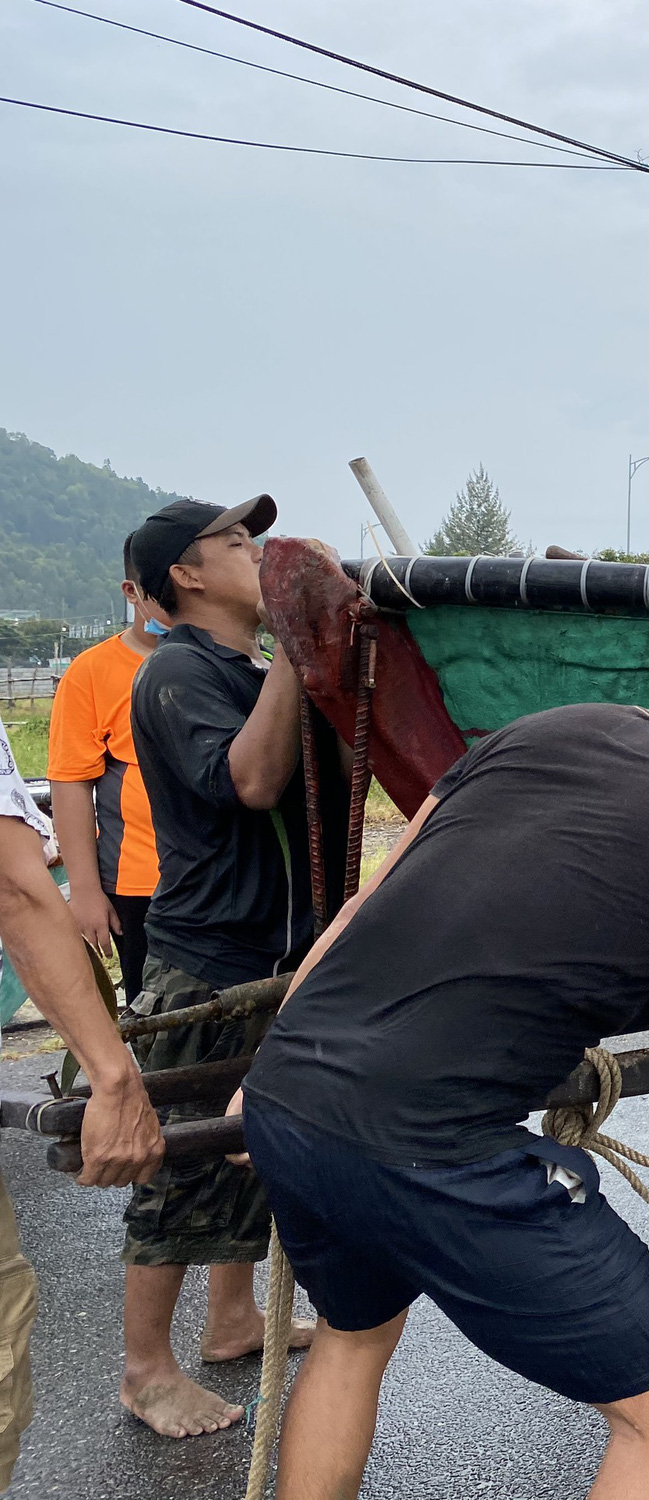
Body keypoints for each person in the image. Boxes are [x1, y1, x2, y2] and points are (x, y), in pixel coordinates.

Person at [233, 587, 649, 1499]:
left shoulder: (542, 730)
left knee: (354, 1335)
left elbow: (363, 909)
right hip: (429, 1141)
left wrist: (265, 1073)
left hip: (294, 1095)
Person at [120, 495, 316, 1438]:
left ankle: (231, 1321)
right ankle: (144, 1370)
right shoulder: (180, 674)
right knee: (181, 1159)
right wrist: (298, 649)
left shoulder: (243, 666)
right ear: (186, 576)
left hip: (275, 950)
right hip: (208, 961)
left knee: (250, 1145)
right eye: (236, 541)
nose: (258, 550)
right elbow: (252, 780)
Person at [0, 715, 166, 1485]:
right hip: (160, 907)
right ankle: (151, 1362)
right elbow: (14, 886)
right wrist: (114, 1075)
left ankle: (228, 1319)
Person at [48, 538, 167, 1001]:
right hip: (138, 883)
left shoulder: (237, 662)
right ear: (131, 593)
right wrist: (85, 892)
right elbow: (70, 783)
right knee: (154, 1009)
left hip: (231, 879)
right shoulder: (92, 672)